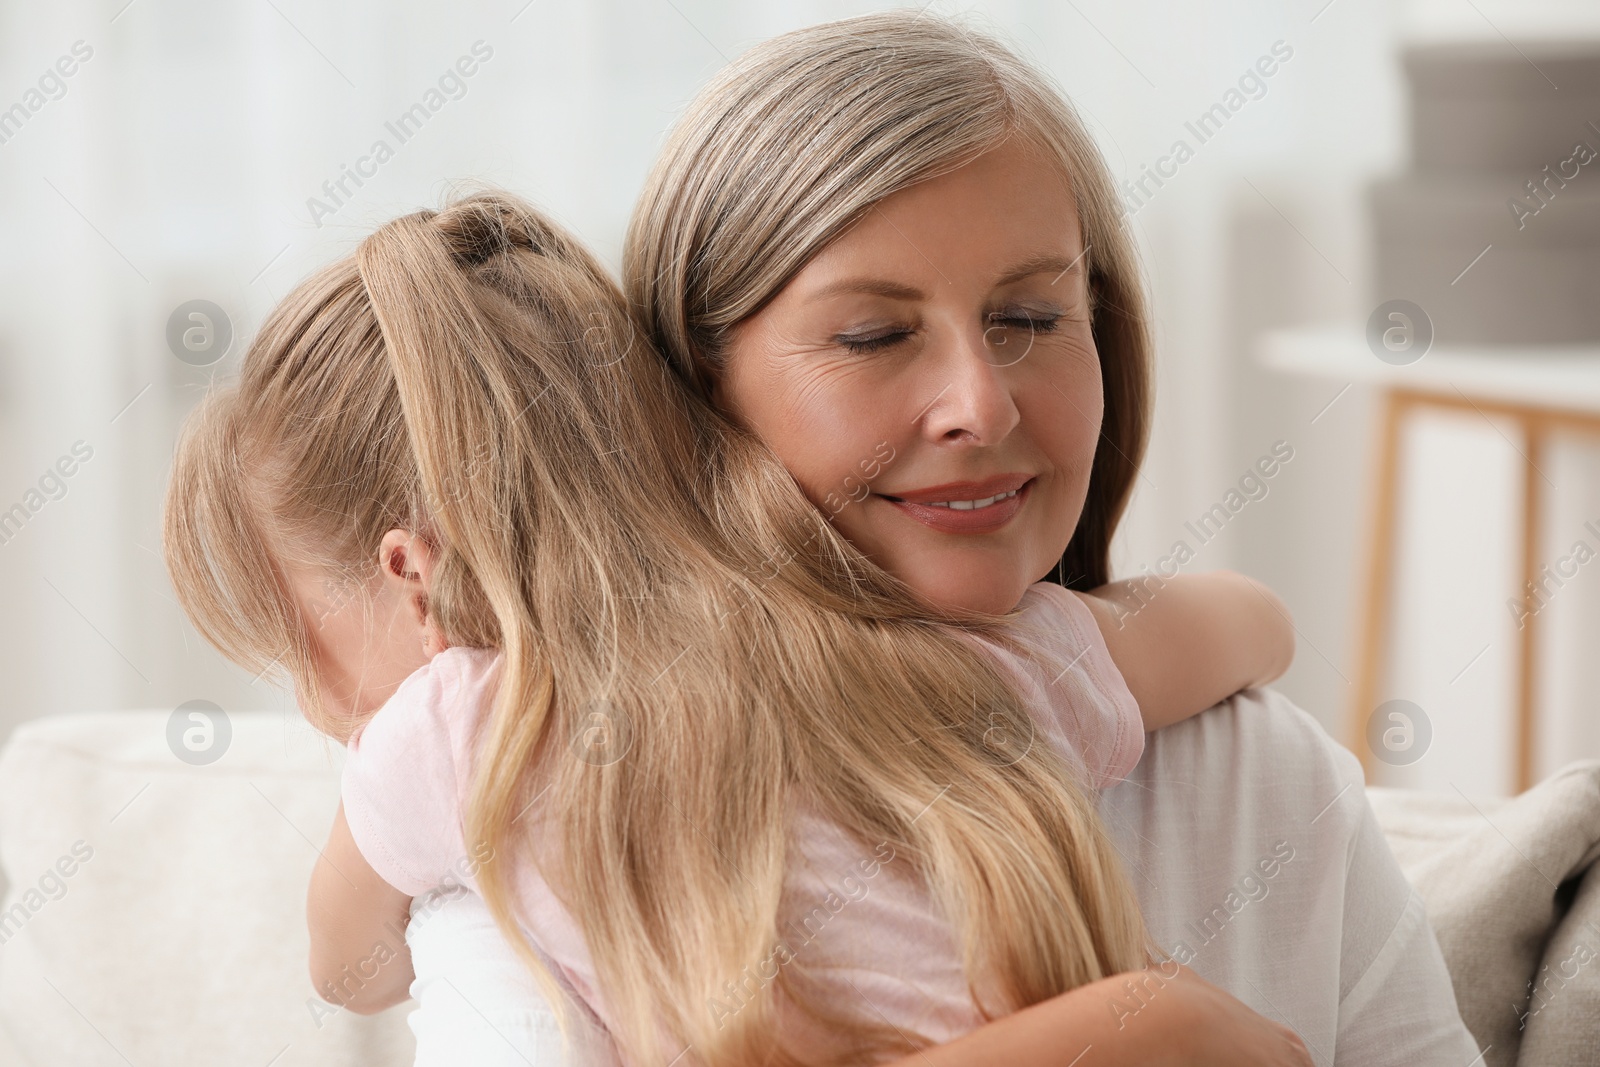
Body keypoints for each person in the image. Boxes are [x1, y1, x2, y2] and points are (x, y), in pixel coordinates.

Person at [162, 190, 1310, 1066]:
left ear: (412, 576)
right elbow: (1253, 623)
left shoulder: (450, 731)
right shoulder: (950, 659)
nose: (315, 705)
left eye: (297, 644)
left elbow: (347, 966)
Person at [621, 9, 1481, 1066]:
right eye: (874, 334)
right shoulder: (582, 796)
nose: (979, 406)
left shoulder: (1256, 771)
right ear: (696, 388)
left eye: (1027, 318)